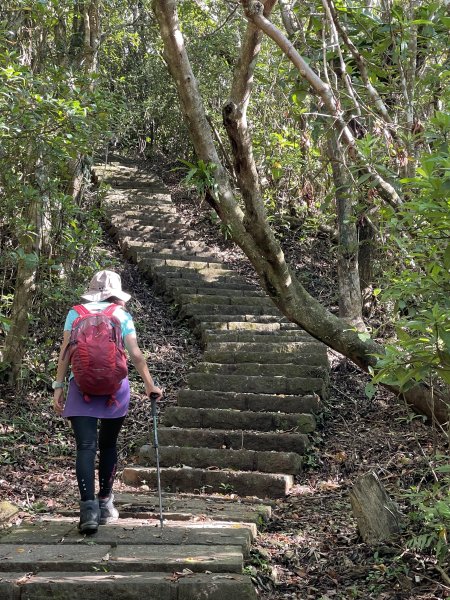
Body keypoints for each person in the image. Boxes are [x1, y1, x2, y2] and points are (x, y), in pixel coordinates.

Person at [52, 270, 162, 534]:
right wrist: (149, 385)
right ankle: (105, 502)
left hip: (81, 387)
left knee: (85, 447)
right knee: (109, 444)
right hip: (116, 389)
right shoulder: (121, 314)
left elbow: (66, 353)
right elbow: (135, 354)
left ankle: (87, 511)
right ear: (117, 292)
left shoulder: (75, 312)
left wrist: (58, 386)